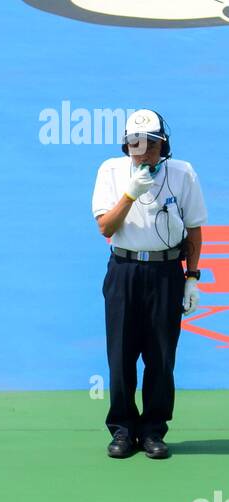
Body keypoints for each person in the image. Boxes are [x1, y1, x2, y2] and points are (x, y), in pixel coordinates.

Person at [92, 109, 207, 460]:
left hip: (166, 272)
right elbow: (106, 228)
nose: (143, 153)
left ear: (164, 144)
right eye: (135, 145)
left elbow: (195, 228)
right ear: (126, 145)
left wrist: (191, 278)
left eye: (151, 145)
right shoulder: (111, 171)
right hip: (125, 270)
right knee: (121, 356)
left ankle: (154, 430)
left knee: (161, 357)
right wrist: (129, 194)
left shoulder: (182, 173)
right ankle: (123, 430)